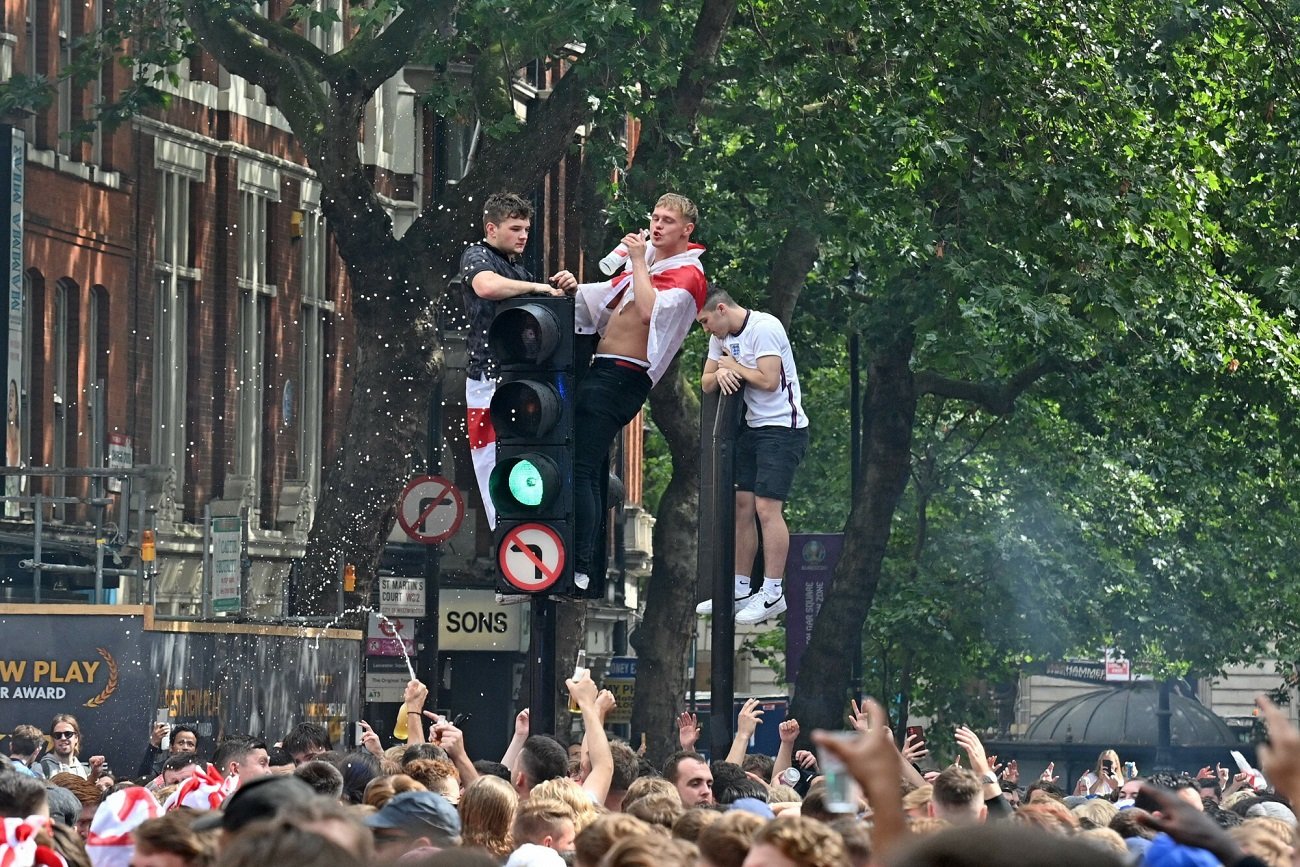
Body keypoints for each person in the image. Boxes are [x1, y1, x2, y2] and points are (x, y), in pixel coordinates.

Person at [572, 193, 707, 590]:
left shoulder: (687, 276)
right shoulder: (648, 265)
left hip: (622, 376)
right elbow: (605, 299)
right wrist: (570, 287)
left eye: (668, 220)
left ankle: (579, 565)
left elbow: (651, 312)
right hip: (604, 371)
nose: (658, 225)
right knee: (588, 467)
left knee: (581, 467)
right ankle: (581, 564)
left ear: (687, 230)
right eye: (655, 217)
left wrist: (635, 260)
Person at [460, 192, 577, 531]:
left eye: (526, 228)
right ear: (492, 228)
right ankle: (505, 530)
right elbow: (485, 286)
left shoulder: (517, 270)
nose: (523, 235)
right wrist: (539, 287)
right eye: (515, 228)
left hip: (519, 381)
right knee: (491, 462)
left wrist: (562, 290)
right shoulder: (477, 255)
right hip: (488, 379)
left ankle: (522, 527)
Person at [695, 287, 808, 624]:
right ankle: (739, 587)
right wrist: (721, 372)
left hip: (783, 430)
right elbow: (705, 382)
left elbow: (769, 381)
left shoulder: (765, 327)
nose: (705, 330)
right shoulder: (720, 337)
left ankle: (773, 592)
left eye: (705, 322)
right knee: (741, 506)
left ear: (721, 309)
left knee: (766, 508)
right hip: (752, 430)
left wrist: (734, 366)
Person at [39, 714, 104, 780]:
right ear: (53, 739)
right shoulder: (41, 769)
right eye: (57, 735)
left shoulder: (85, 772)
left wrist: (94, 776)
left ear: (76, 738)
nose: (63, 738)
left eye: (68, 734)